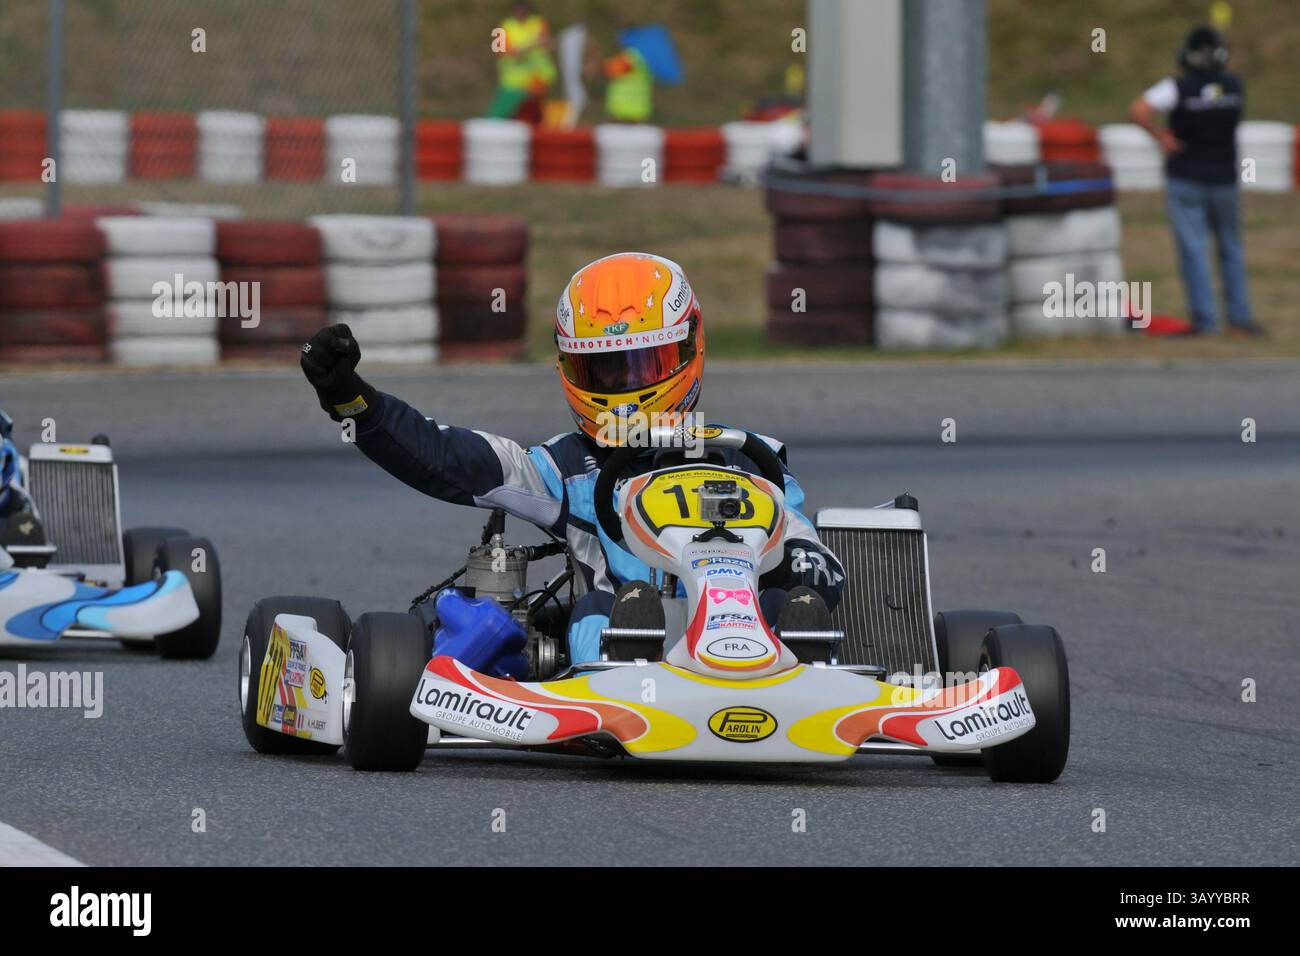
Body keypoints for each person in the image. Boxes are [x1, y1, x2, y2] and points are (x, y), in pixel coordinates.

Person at [299, 252, 844, 669]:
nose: (626, 392)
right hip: (625, 647)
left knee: (790, 595)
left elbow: (805, 544)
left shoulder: (751, 456)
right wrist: (354, 402)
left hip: (757, 645)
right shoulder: (567, 470)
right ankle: (614, 673)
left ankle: (803, 662)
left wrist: (804, 567)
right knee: (597, 610)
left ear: (687, 351)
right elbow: (449, 458)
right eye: (606, 373)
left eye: (642, 364)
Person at [1128, 24, 1261, 336]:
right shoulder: (1235, 86)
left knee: (1194, 250)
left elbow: (1138, 110)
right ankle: (1239, 319)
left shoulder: (1177, 87)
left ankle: (1206, 321)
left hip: (1187, 177)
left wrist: (1162, 137)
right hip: (1225, 179)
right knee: (1231, 248)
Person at [487, 1, 558, 124]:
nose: (521, 11)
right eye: (518, 8)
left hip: (537, 80)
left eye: (523, 8)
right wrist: (531, 46)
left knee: (536, 117)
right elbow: (502, 51)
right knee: (502, 116)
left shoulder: (538, 23)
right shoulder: (504, 27)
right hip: (513, 83)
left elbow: (549, 42)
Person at [603, 44, 653, 123]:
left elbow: (613, 70)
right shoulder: (644, 58)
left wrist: (605, 63)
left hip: (623, 110)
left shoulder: (633, 56)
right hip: (637, 110)